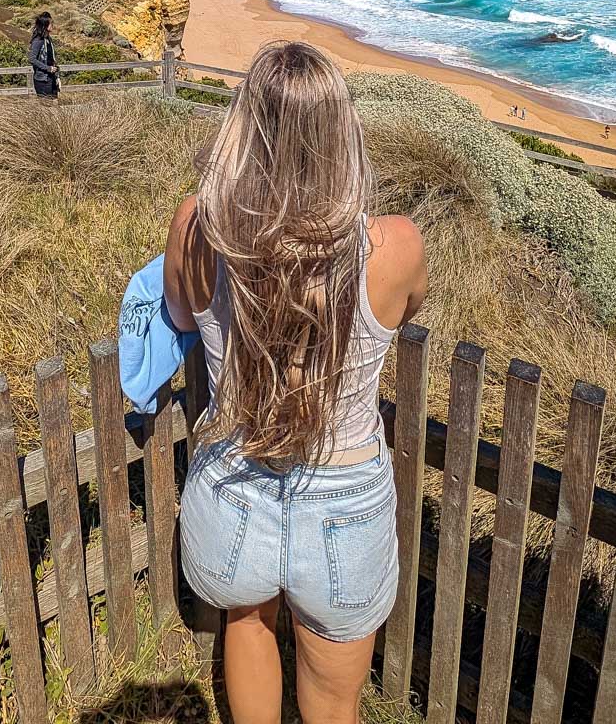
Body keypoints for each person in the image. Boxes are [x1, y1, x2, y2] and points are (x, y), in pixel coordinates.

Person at [163, 41, 428, 724]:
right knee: (334, 698)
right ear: (343, 134)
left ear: (242, 128)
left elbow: (175, 312)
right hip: (343, 496)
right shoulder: (394, 244)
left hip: (232, 477)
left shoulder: (195, 226)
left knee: (246, 625)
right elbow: (411, 306)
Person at [28, 11, 60, 101]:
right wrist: (47, 68)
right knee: (46, 107)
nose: (52, 25)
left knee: (54, 103)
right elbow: (32, 58)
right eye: (51, 23)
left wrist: (56, 72)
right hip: (42, 80)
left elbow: (50, 58)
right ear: (45, 25)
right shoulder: (38, 40)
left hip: (51, 77)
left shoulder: (48, 39)